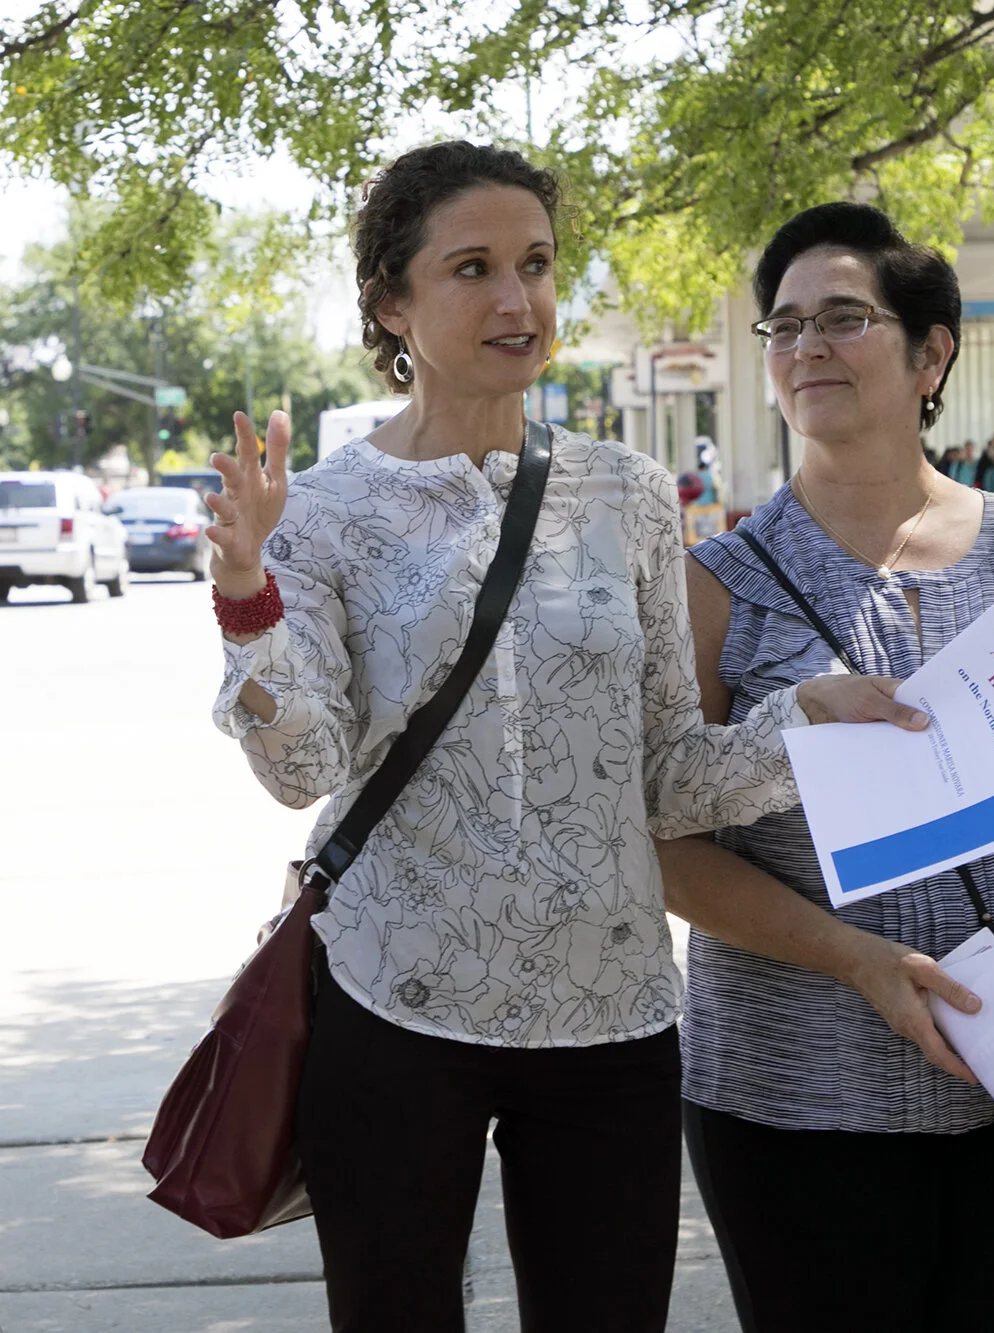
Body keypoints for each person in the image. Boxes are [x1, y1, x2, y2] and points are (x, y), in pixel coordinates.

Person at [202, 142, 815, 1333]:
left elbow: (666, 774)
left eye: (533, 264)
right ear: (391, 303)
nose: (514, 300)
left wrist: (808, 726)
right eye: (470, 268)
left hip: (611, 1011)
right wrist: (246, 603)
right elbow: (305, 771)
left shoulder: (630, 493)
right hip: (392, 999)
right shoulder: (321, 511)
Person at [653, 201, 994, 1331]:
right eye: (783, 326)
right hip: (787, 1093)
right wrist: (854, 960)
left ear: (930, 351)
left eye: (843, 318)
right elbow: (662, 840)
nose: (805, 346)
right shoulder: (715, 582)